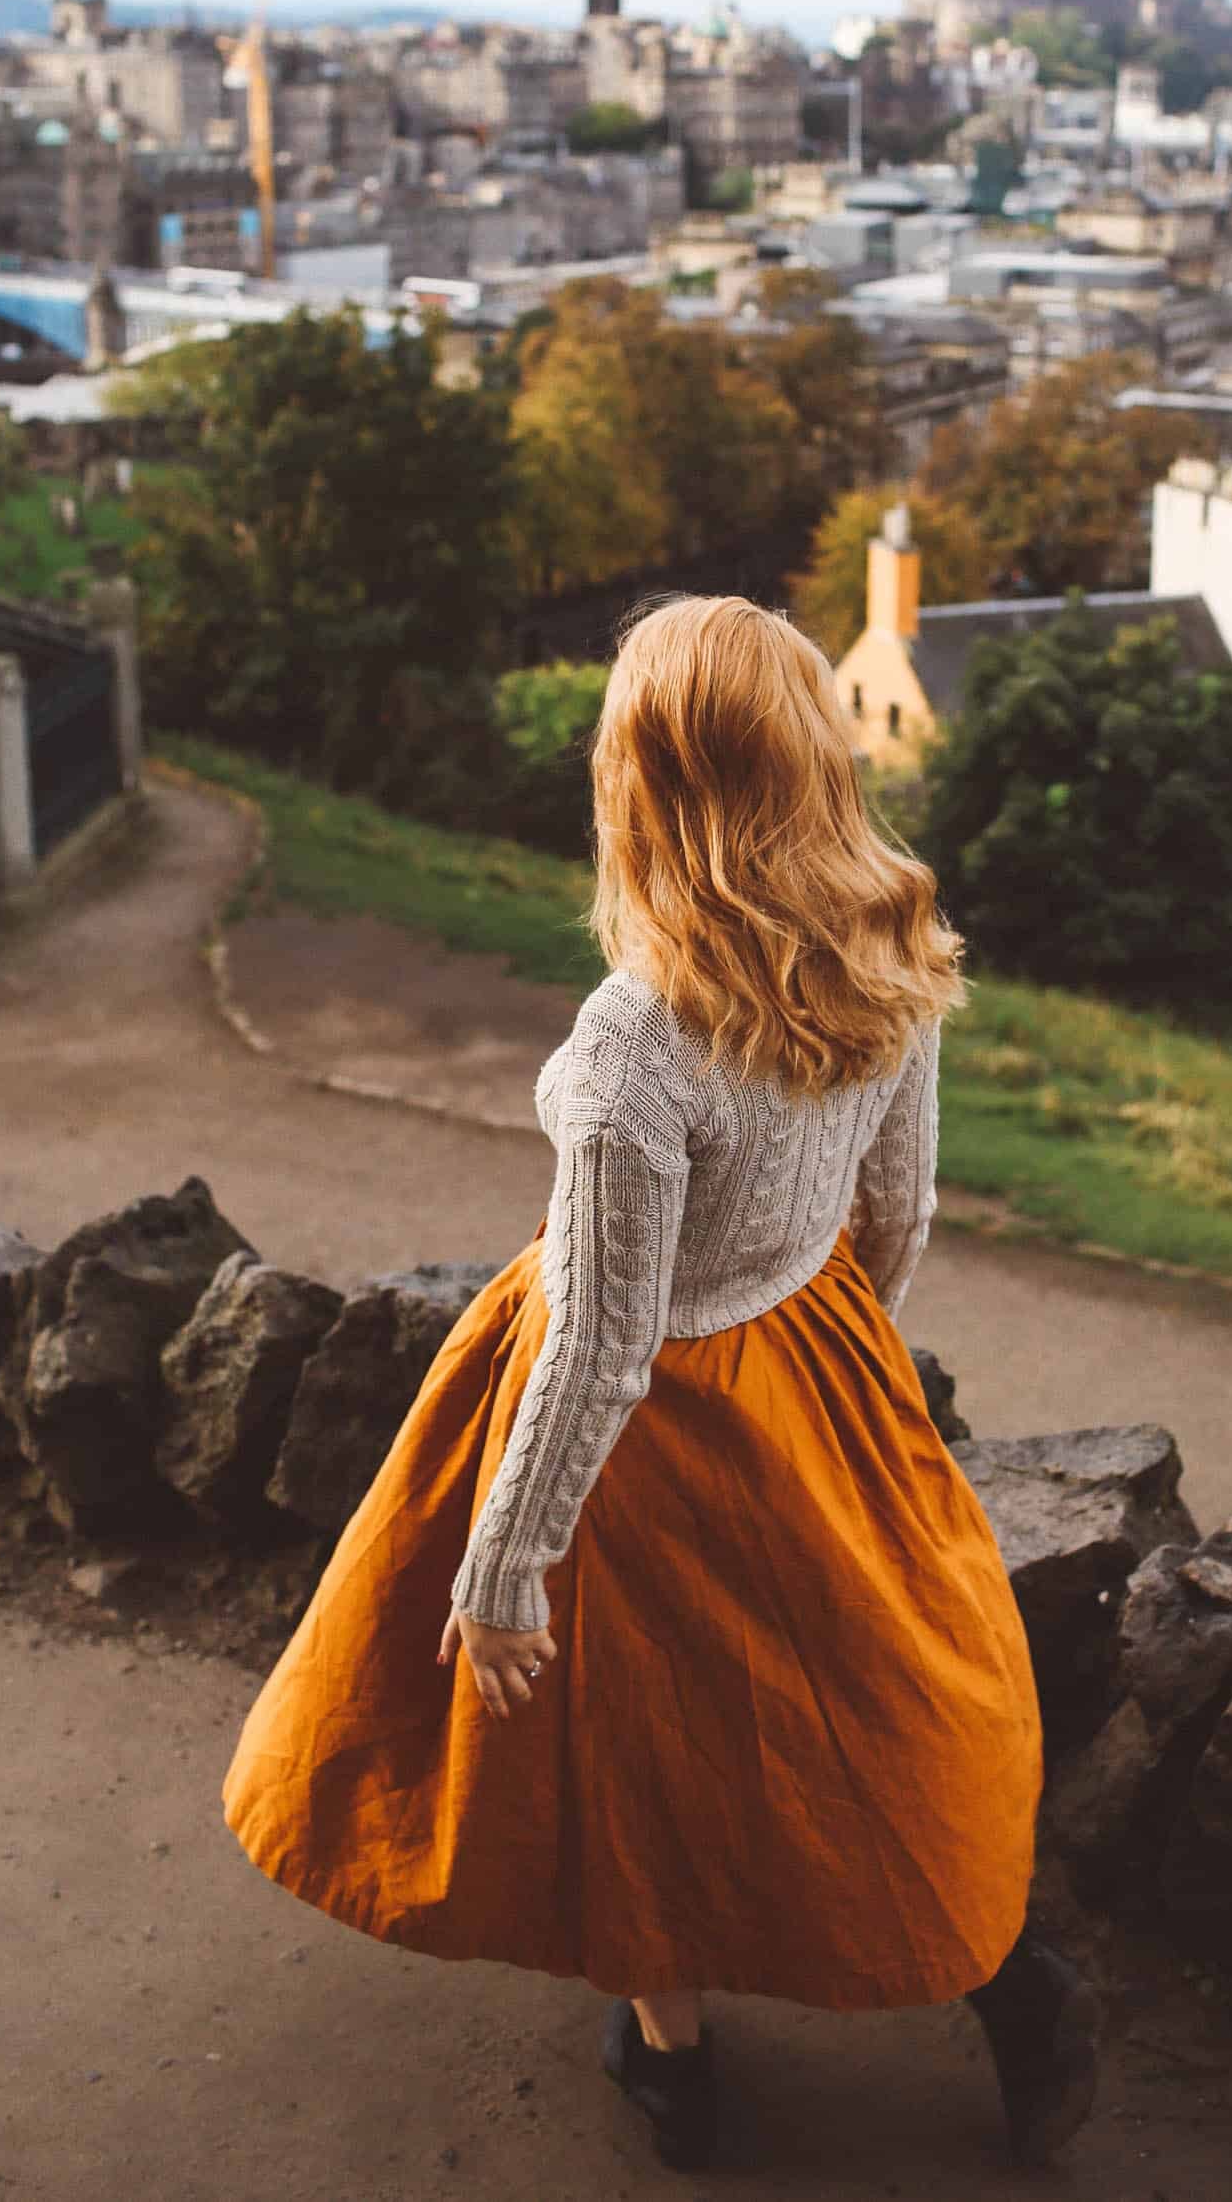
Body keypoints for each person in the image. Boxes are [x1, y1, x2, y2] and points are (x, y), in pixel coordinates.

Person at [221, 593, 1098, 2173]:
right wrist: (847, 1366)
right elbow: (900, 1210)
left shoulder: (633, 1047)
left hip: (639, 1441)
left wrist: (502, 1564)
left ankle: (674, 2057)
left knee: (634, 1744)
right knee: (883, 1710)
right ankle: (1011, 1980)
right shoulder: (890, 924)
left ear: (646, 785)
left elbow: (603, 1345)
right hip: (820, 1360)